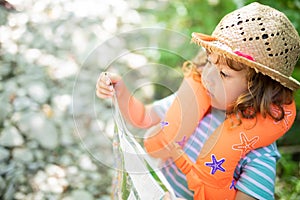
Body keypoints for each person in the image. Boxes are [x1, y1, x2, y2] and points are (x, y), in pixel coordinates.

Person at [96, 2, 300, 199]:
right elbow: (143, 117)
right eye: (210, 63)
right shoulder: (197, 102)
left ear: (258, 89)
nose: (208, 78)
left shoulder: (258, 155)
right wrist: (120, 91)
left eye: (224, 74)